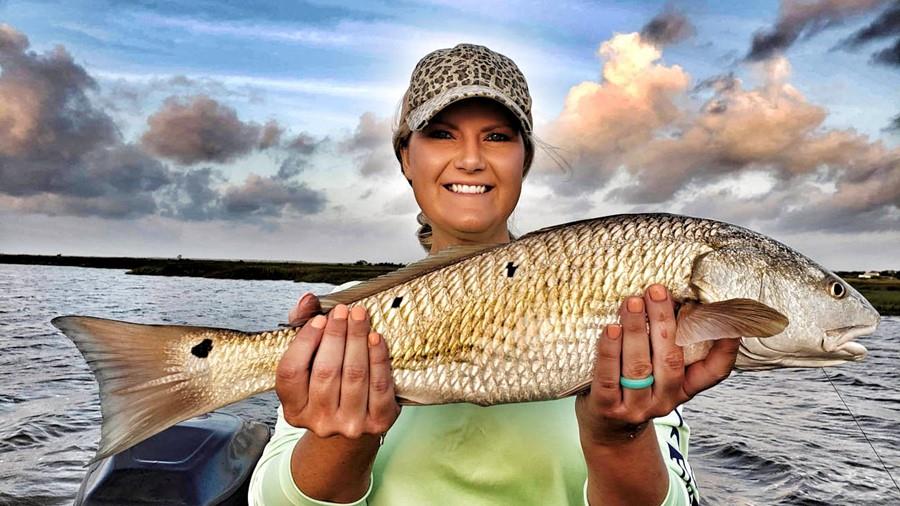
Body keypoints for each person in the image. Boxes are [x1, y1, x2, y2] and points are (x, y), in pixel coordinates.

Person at [249, 43, 740, 506]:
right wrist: (343, 438)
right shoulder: (346, 319)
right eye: (441, 133)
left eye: (497, 137)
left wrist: (619, 435)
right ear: (405, 158)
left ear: (523, 160)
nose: (470, 159)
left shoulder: (621, 296)